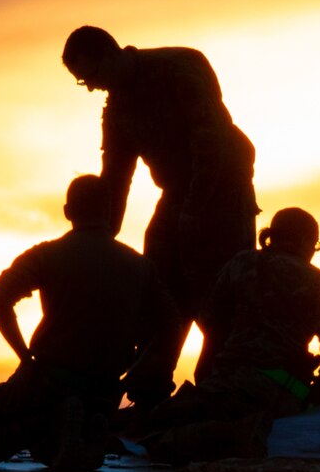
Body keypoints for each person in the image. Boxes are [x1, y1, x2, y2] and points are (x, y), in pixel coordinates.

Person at [0, 174, 184, 470]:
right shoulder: (140, 266)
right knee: (50, 437)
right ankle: (75, 432)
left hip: (46, 382)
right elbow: (171, 324)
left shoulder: (49, 255)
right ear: (109, 211)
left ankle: (55, 427)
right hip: (104, 391)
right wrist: (132, 375)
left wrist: (25, 359)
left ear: (68, 211)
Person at [60, 25, 259, 336]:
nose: (90, 88)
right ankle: (153, 370)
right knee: (156, 284)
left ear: (110, 53)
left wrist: (192, 214)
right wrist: (99, 240)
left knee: (220, 297)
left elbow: (211, 144)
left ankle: (222, 372)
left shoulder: (180, 67)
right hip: (177, 193)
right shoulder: (117, 111)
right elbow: (115, 179)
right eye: (82, 82)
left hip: (225, 189)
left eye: (90, 76)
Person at [140, 206, 320, 465]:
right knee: (173, 431)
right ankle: (238, 435)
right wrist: (314, 403)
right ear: (307, 242)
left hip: (228, 384)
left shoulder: (242, 264)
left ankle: (231, 436)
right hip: (281, 394)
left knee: (157, 424)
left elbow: (210, 319)